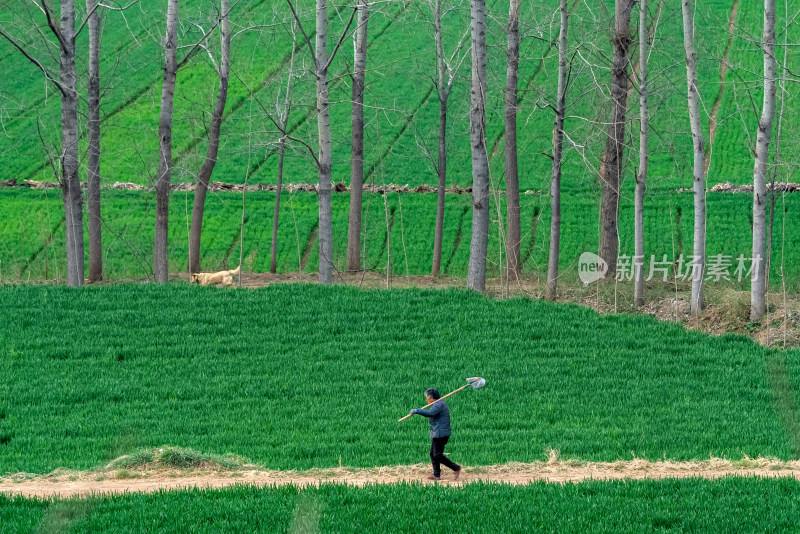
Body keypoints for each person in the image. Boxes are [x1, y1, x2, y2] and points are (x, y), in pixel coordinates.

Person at [409, 388, 462, 481]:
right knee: (433, 454)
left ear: (431, 397)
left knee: (437, 454)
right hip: (438, 433)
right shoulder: (437, 403)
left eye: (427, 397)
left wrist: (417, 410)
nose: (426, 400)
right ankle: (436, 474)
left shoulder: (439, 404)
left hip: (441, 433)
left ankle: (456, 467)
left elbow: (430, 413)